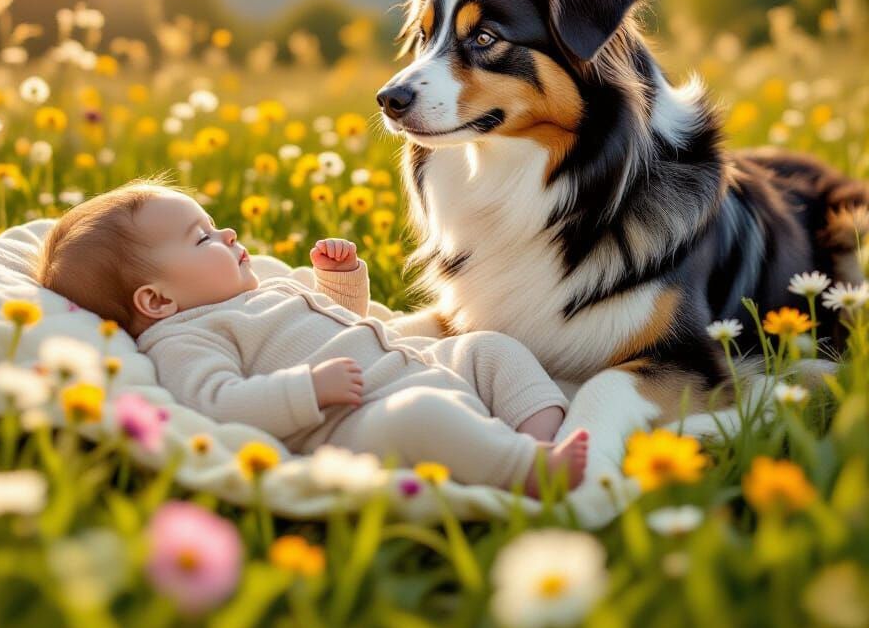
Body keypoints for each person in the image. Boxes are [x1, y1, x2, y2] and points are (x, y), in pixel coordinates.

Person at [37, 179, 588, 496]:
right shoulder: (185, 339)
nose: (226, 233)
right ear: (157, 301)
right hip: (364, 420)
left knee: (488, 348)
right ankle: (529, 473)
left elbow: (337, 321)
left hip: (414, 364)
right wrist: (308, 389)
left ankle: (544, 432)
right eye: (202, 237)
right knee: (424, 417)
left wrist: (338, 283)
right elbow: (216, 404)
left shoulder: (261, 291)